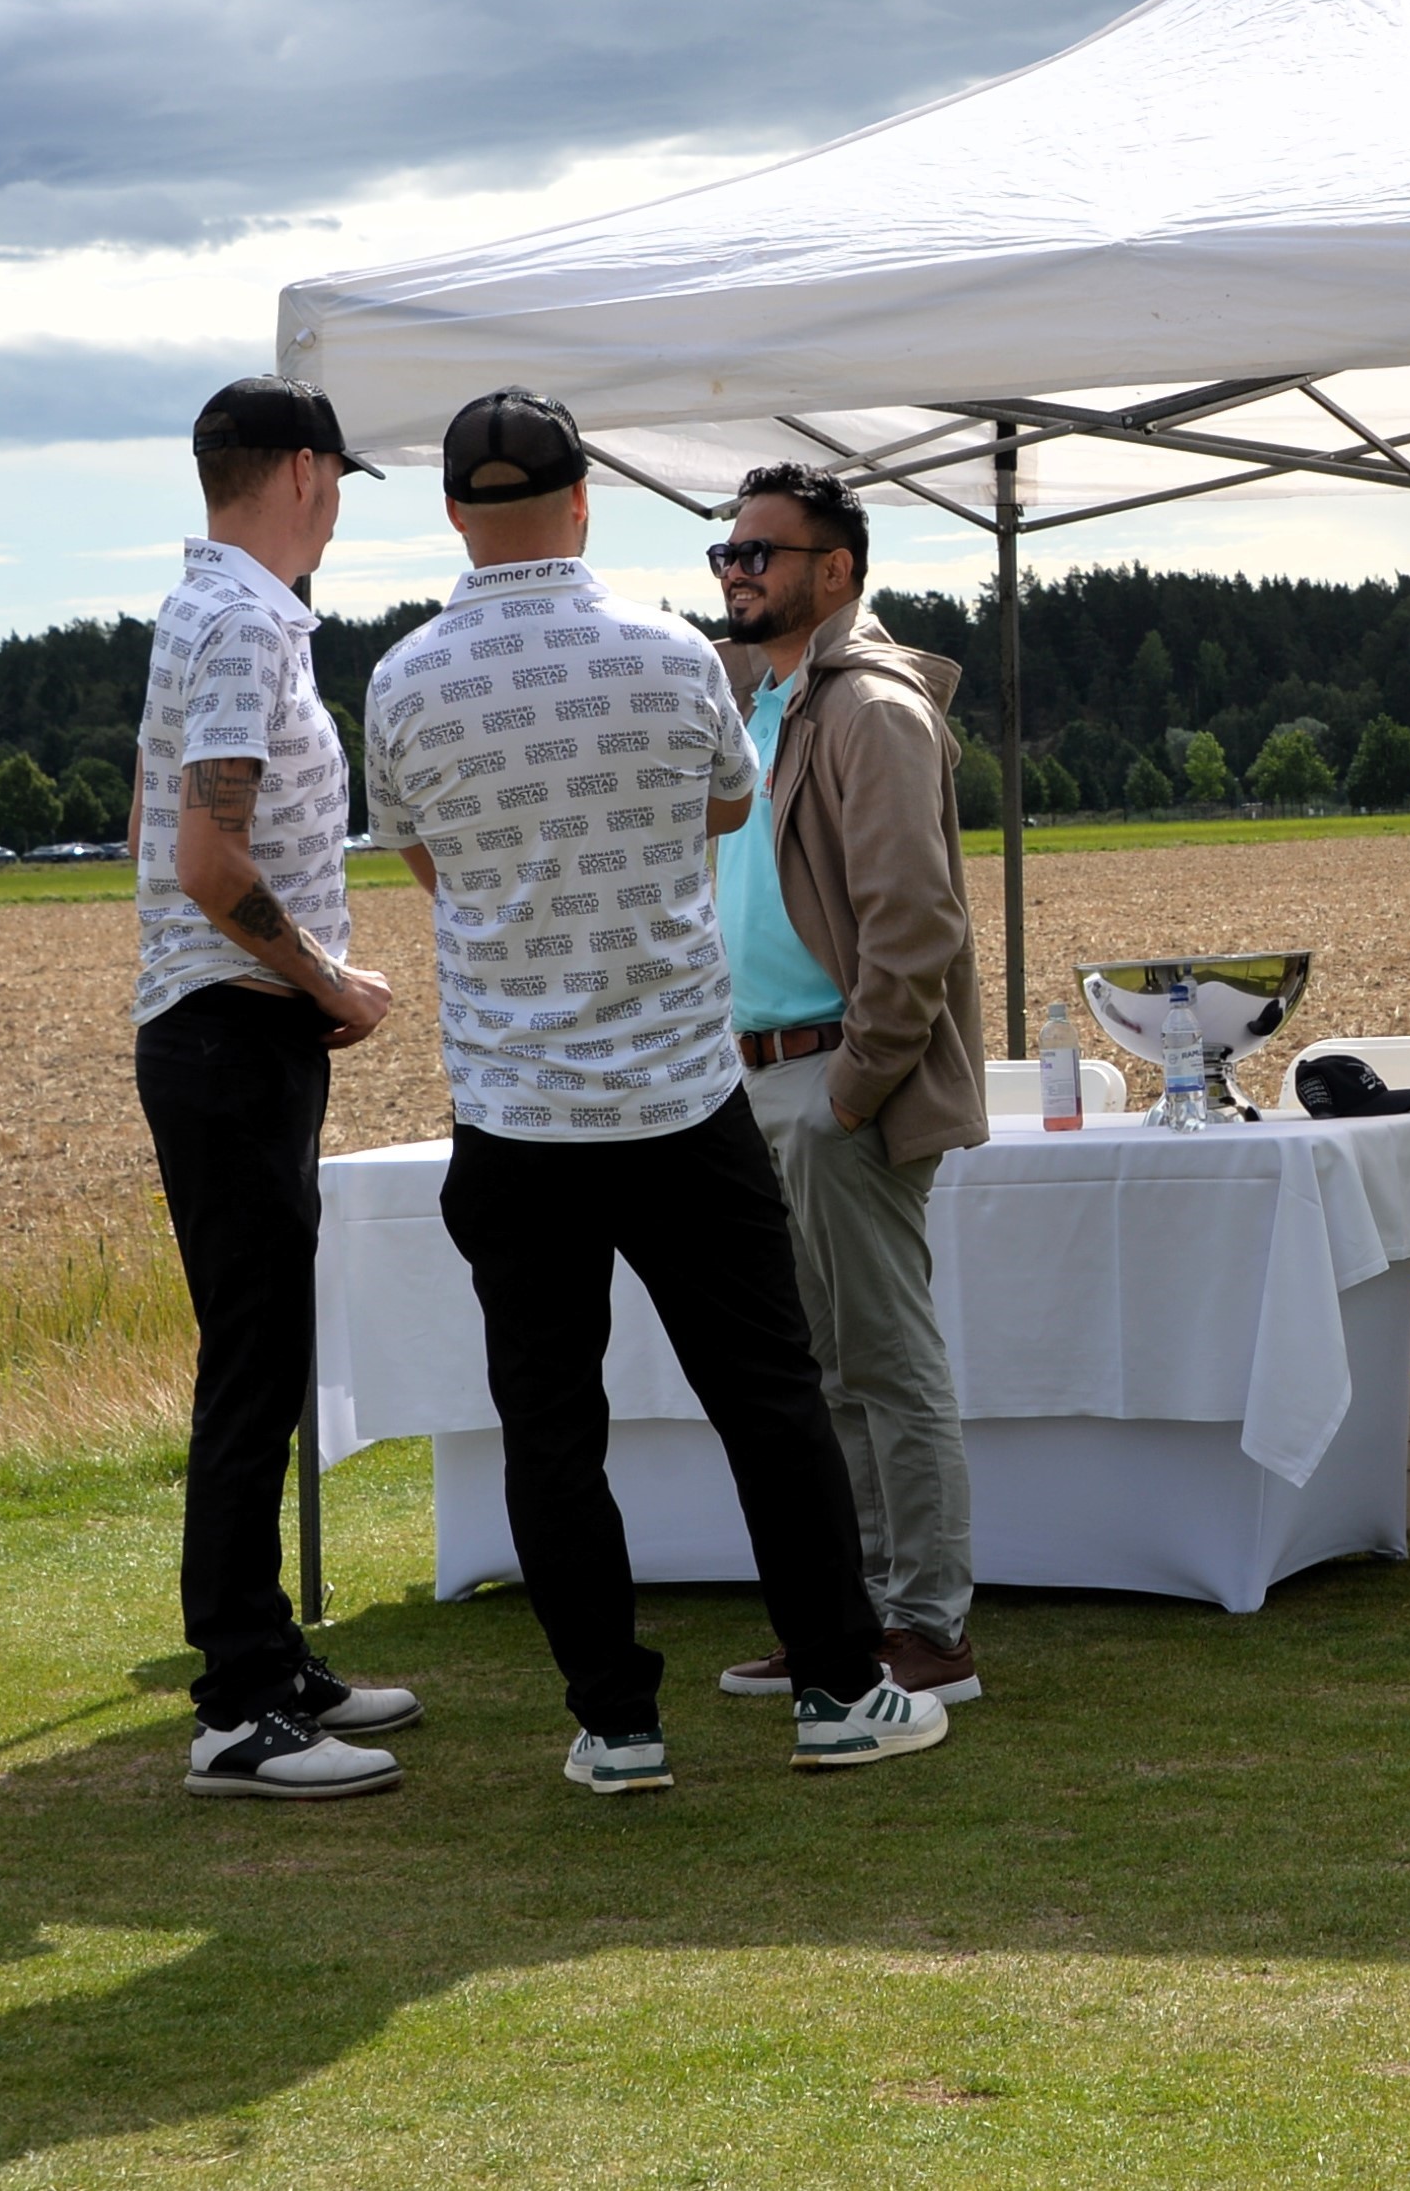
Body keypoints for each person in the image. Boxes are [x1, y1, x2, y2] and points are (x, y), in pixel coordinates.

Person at [363, 388, 949, 1794]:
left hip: (514, 1112)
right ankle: (838, 1685)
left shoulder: (402, 679)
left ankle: (616, 1720)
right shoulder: (675, 653)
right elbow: (726, 809)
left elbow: (428, 861)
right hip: (684, 1095)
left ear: (451, 512)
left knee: (551, 1427)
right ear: (583, 500)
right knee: (771, 1397)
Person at [133, 376, 421, 1801]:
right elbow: (207, 859)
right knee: (252, 1363)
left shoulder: (215, 608)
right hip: (233, 1032)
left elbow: (162, 833)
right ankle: (239, 1702)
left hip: (230, 1031)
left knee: (263, 1349)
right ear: (305, 471)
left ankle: (272, 1655)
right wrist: (330, 981)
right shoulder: (245, 621)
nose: (340, 507)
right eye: (342, 480)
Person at [704, 461, 990, 1711]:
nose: (736, 571)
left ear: (837, 569)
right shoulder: (756, 699)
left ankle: (928, 1626)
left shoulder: (870, 708)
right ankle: (846, 1619)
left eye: (760, 553)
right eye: (728, 552)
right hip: (757, 1077)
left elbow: (914, 922)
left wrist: (855, 1087)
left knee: (884, 1361)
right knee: (818, 1370)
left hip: (831, 1080)